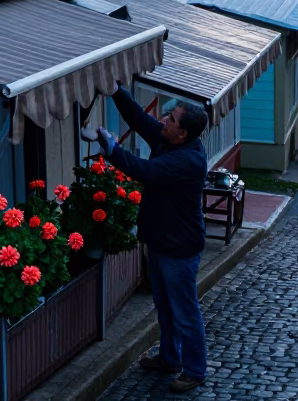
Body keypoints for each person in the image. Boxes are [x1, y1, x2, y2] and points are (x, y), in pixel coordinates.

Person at [95, 85, 209, 393]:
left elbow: (143, 170)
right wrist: (116, 91)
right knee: (165, 306)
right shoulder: (169, 138)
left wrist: (111, 149)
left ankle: (195, 370)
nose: (163, 120)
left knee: (184, 311)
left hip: (179, 248)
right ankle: (170, 358)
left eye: (170, 118)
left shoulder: (188, 160)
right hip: (161, 240)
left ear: (182, 133)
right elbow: (139, 119)